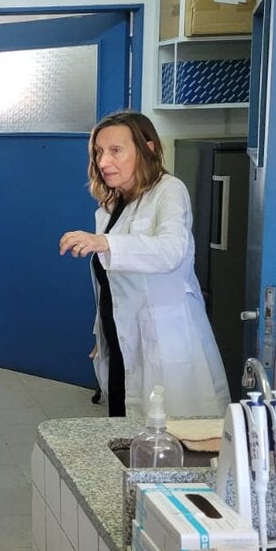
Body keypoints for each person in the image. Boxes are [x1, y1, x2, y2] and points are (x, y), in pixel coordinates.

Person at [58, 111, 230, 418]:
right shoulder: (113, 203)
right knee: (127, 434)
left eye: (115, 151)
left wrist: (105, 243)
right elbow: (112, 287)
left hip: (163, 342)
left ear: (148, 148)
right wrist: (103, 334)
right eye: (98, 152)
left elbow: (171, 251)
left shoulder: (169, 190)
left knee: (173, 440)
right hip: (121, 344)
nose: (103, 162)